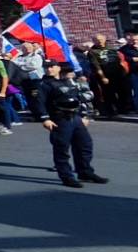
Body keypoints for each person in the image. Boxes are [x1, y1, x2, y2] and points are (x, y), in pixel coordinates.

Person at [35, 60, 109, 188]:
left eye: (52, 66)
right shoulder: (44, 84)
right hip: (60, 119)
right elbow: (39, 102)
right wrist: (45, 119)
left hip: (75, 118)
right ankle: (67, 177)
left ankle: (85, 172)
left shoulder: (68, 82)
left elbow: (78, 99)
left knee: (85, 145)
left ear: (58, 68)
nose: (49, 69)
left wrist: (84, 115)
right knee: (62, 149)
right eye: (46, 67)